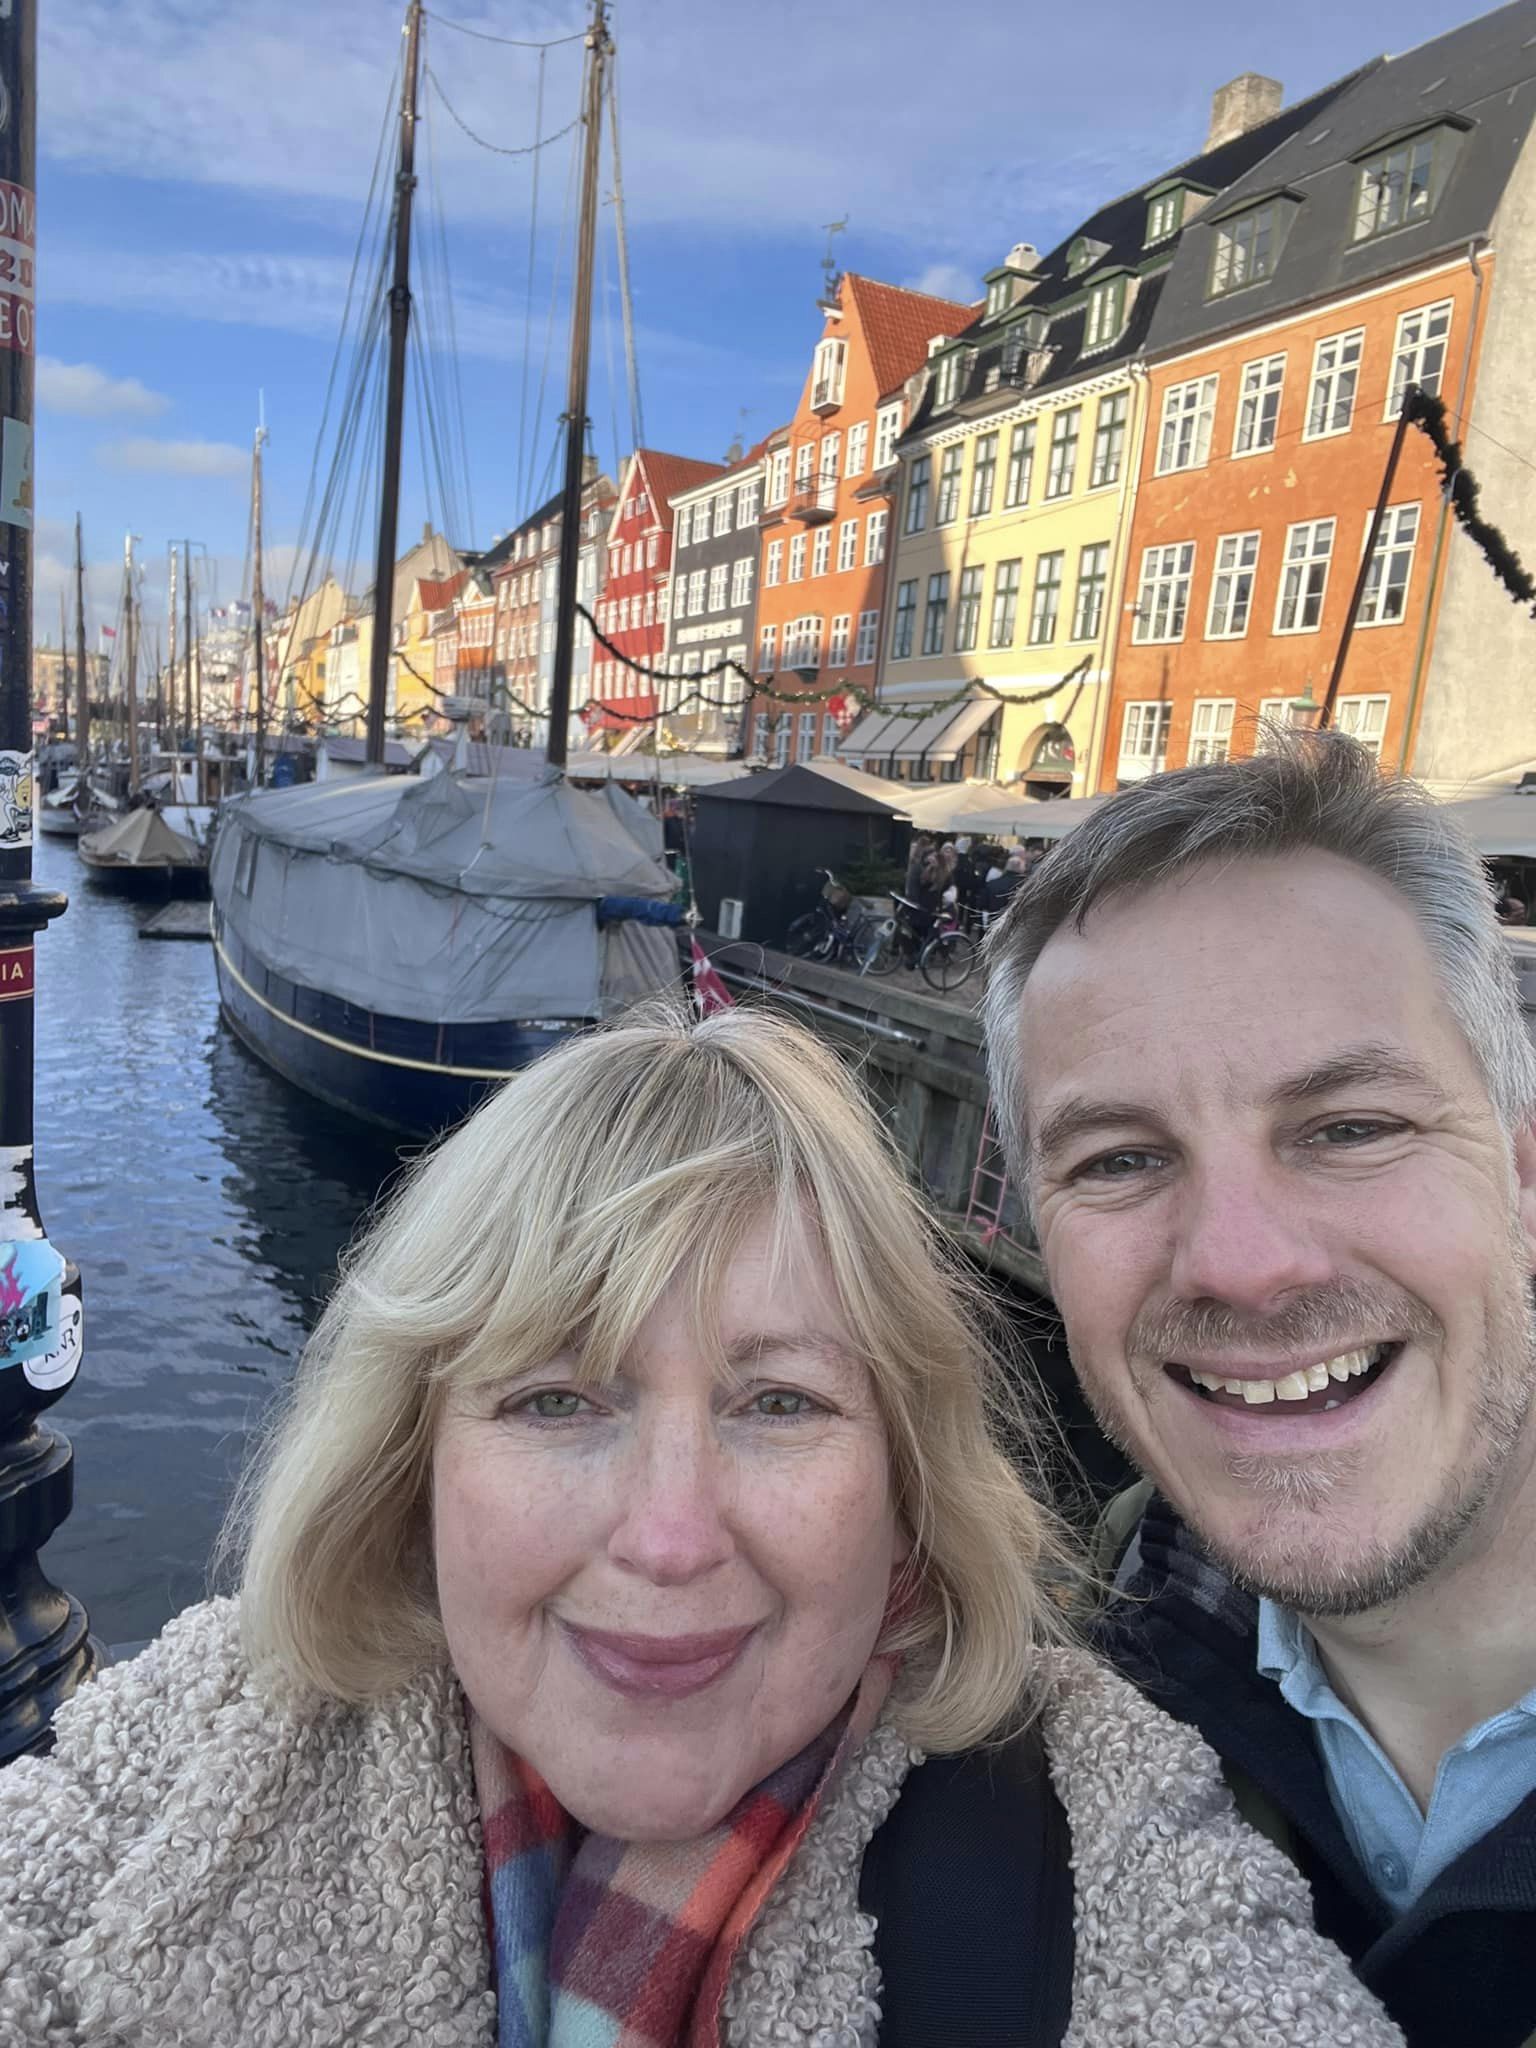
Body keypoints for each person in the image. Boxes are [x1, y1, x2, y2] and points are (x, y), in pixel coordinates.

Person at [0, 1005, 1396, 2047]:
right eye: (556, 1402)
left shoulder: (1110, 1855)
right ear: (411, 1462)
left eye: (781, 1404)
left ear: (907, 1493)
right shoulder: (194, 1760)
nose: (669, 1540)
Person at [981, 731, 1536, 2048]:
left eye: (1349, 1128)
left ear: (1523, 1180)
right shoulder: (1056, 1692)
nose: (1240, 1262)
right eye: (1119, 1160)